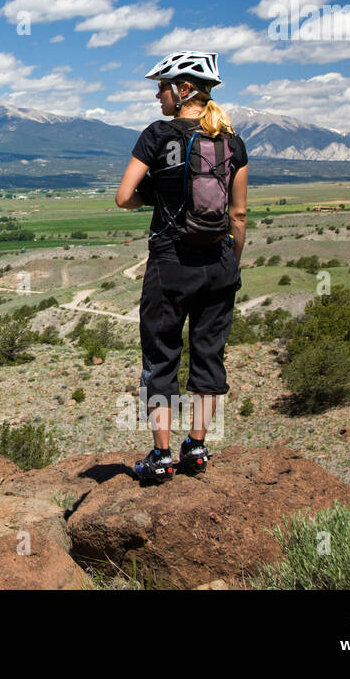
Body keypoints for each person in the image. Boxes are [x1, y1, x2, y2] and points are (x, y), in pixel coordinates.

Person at [114, 51, 248, 484]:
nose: (157, 95)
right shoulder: (232, 142)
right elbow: (239, 216)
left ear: (183, 89)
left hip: (170, 265)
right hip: (220, 264)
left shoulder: (156, 135)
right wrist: (232, 265)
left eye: (162, 87)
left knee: (161, 356)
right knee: (209, 356)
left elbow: (124, 197)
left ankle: (161, 455)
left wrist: (156, 195)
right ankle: (197, 447)